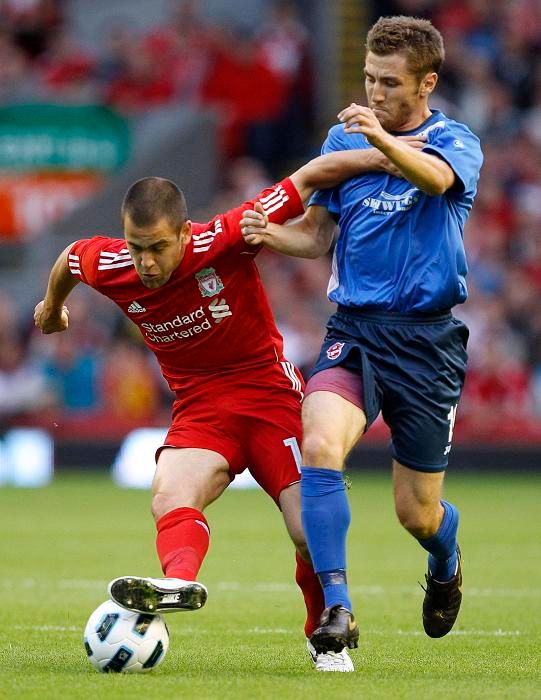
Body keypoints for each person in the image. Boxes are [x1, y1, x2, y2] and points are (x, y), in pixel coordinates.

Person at [34, 146, 407, 673]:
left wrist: (387, 154)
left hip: (270, 399)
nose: (145, 262)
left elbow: (310, 177)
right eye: (137, 247)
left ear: (185, 233)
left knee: (307, 529)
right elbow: (71, 258)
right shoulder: (112, 262)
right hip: (201, 408)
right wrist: (53, 308)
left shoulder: (223, 238)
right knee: (169, 495)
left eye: (158, 247)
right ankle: (179, 581)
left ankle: (325, 639)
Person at [240, 15, 483, 656]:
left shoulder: (455, 141)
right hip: (355, 330)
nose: (374, 93)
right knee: (318, 443)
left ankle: (446, 556)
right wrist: (270, 237)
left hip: (427, 342)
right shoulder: (341, 141)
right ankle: (339, 608)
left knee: (417, 513)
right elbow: (318, 237)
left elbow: (433, 181)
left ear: (426, 82)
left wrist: (375, 142)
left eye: (390, 82)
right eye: (369, 79)